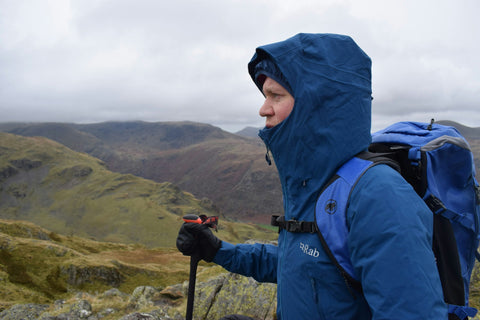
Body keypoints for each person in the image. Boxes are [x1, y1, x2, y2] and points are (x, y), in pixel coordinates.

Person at [177, 33, 448, 319]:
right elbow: (302, 264)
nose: (263, 109)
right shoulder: (313, 183)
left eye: (276, 95)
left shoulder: (378, 196)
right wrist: (220, 250)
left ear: (316, 104)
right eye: (265, 95)